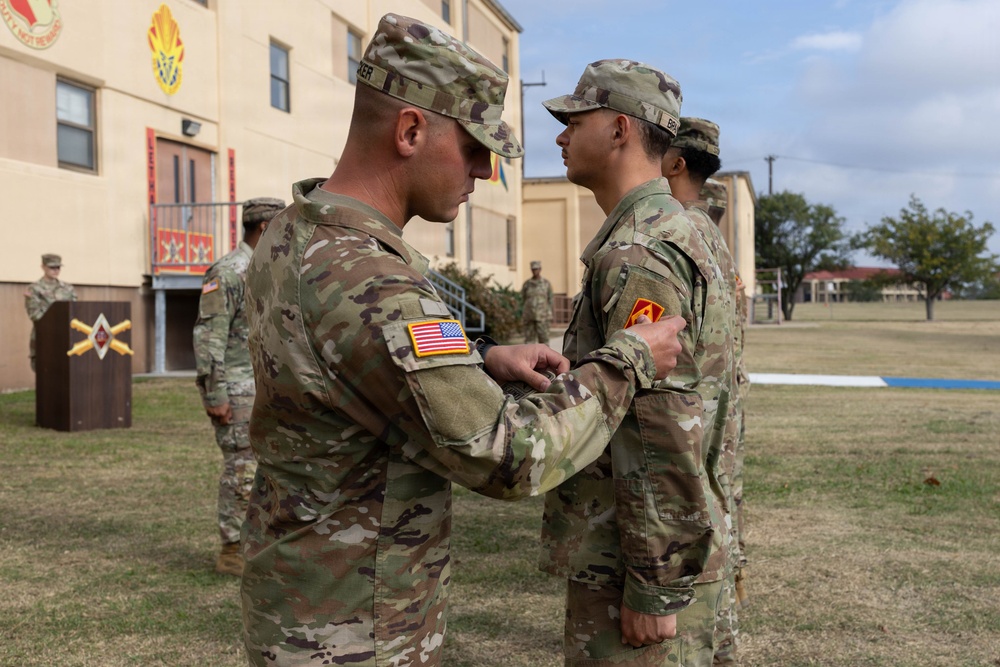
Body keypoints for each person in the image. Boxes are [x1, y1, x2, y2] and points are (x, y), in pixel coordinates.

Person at [240, 15, 687, 667]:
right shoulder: (370, 282)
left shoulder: (292, 232)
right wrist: (629, 360)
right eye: (475, 146)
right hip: (354, 632)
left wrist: (477, 360)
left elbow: (349, 370)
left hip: (303, 602)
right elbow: (511, 456)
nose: (486, 168)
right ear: (410, 131)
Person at [537, 61, 738, 666]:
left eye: (575, 121)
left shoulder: (639, 248)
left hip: (633, 561)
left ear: (620, 129)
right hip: (674, 542)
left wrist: (654, 582)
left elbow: (657, 424)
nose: (561, 136)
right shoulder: (683, 228)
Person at [663, 118, 747, 664]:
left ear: (675, 163)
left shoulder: (678, 236)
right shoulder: (712, 239)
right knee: (722, 521)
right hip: (722, 422)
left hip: (698, 427)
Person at [193, 197, 285, 576]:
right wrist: (215, 394)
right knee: (241, 469)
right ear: (265, 227)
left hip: (264, 388)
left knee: (265, 470)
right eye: (282, 226)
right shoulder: (229, 272)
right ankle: (231, 550)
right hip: (236, 390)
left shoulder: (269, 269)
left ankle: (256, 543)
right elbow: (208, 338)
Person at [24, 253, 78, 372]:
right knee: (44, 371)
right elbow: (34, 314)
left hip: (65, 335)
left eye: (58, 267)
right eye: (52, 267)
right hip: (45, 336)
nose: (56, 270)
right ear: (43, 267)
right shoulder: (34, 289)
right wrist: (54, 320)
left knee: (66, 371)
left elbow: (75, 310)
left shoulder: (68, 288)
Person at [521, 259, 554, 343]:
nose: (534, 271)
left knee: (544, 341)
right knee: (529, 341)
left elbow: (550, 299)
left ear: (540, 269)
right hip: (529, 317)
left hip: (542, 317)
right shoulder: (527, 284)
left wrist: (549, 314)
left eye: (536, 269)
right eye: (533, 269)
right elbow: (523, 298)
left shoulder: (546, 283)